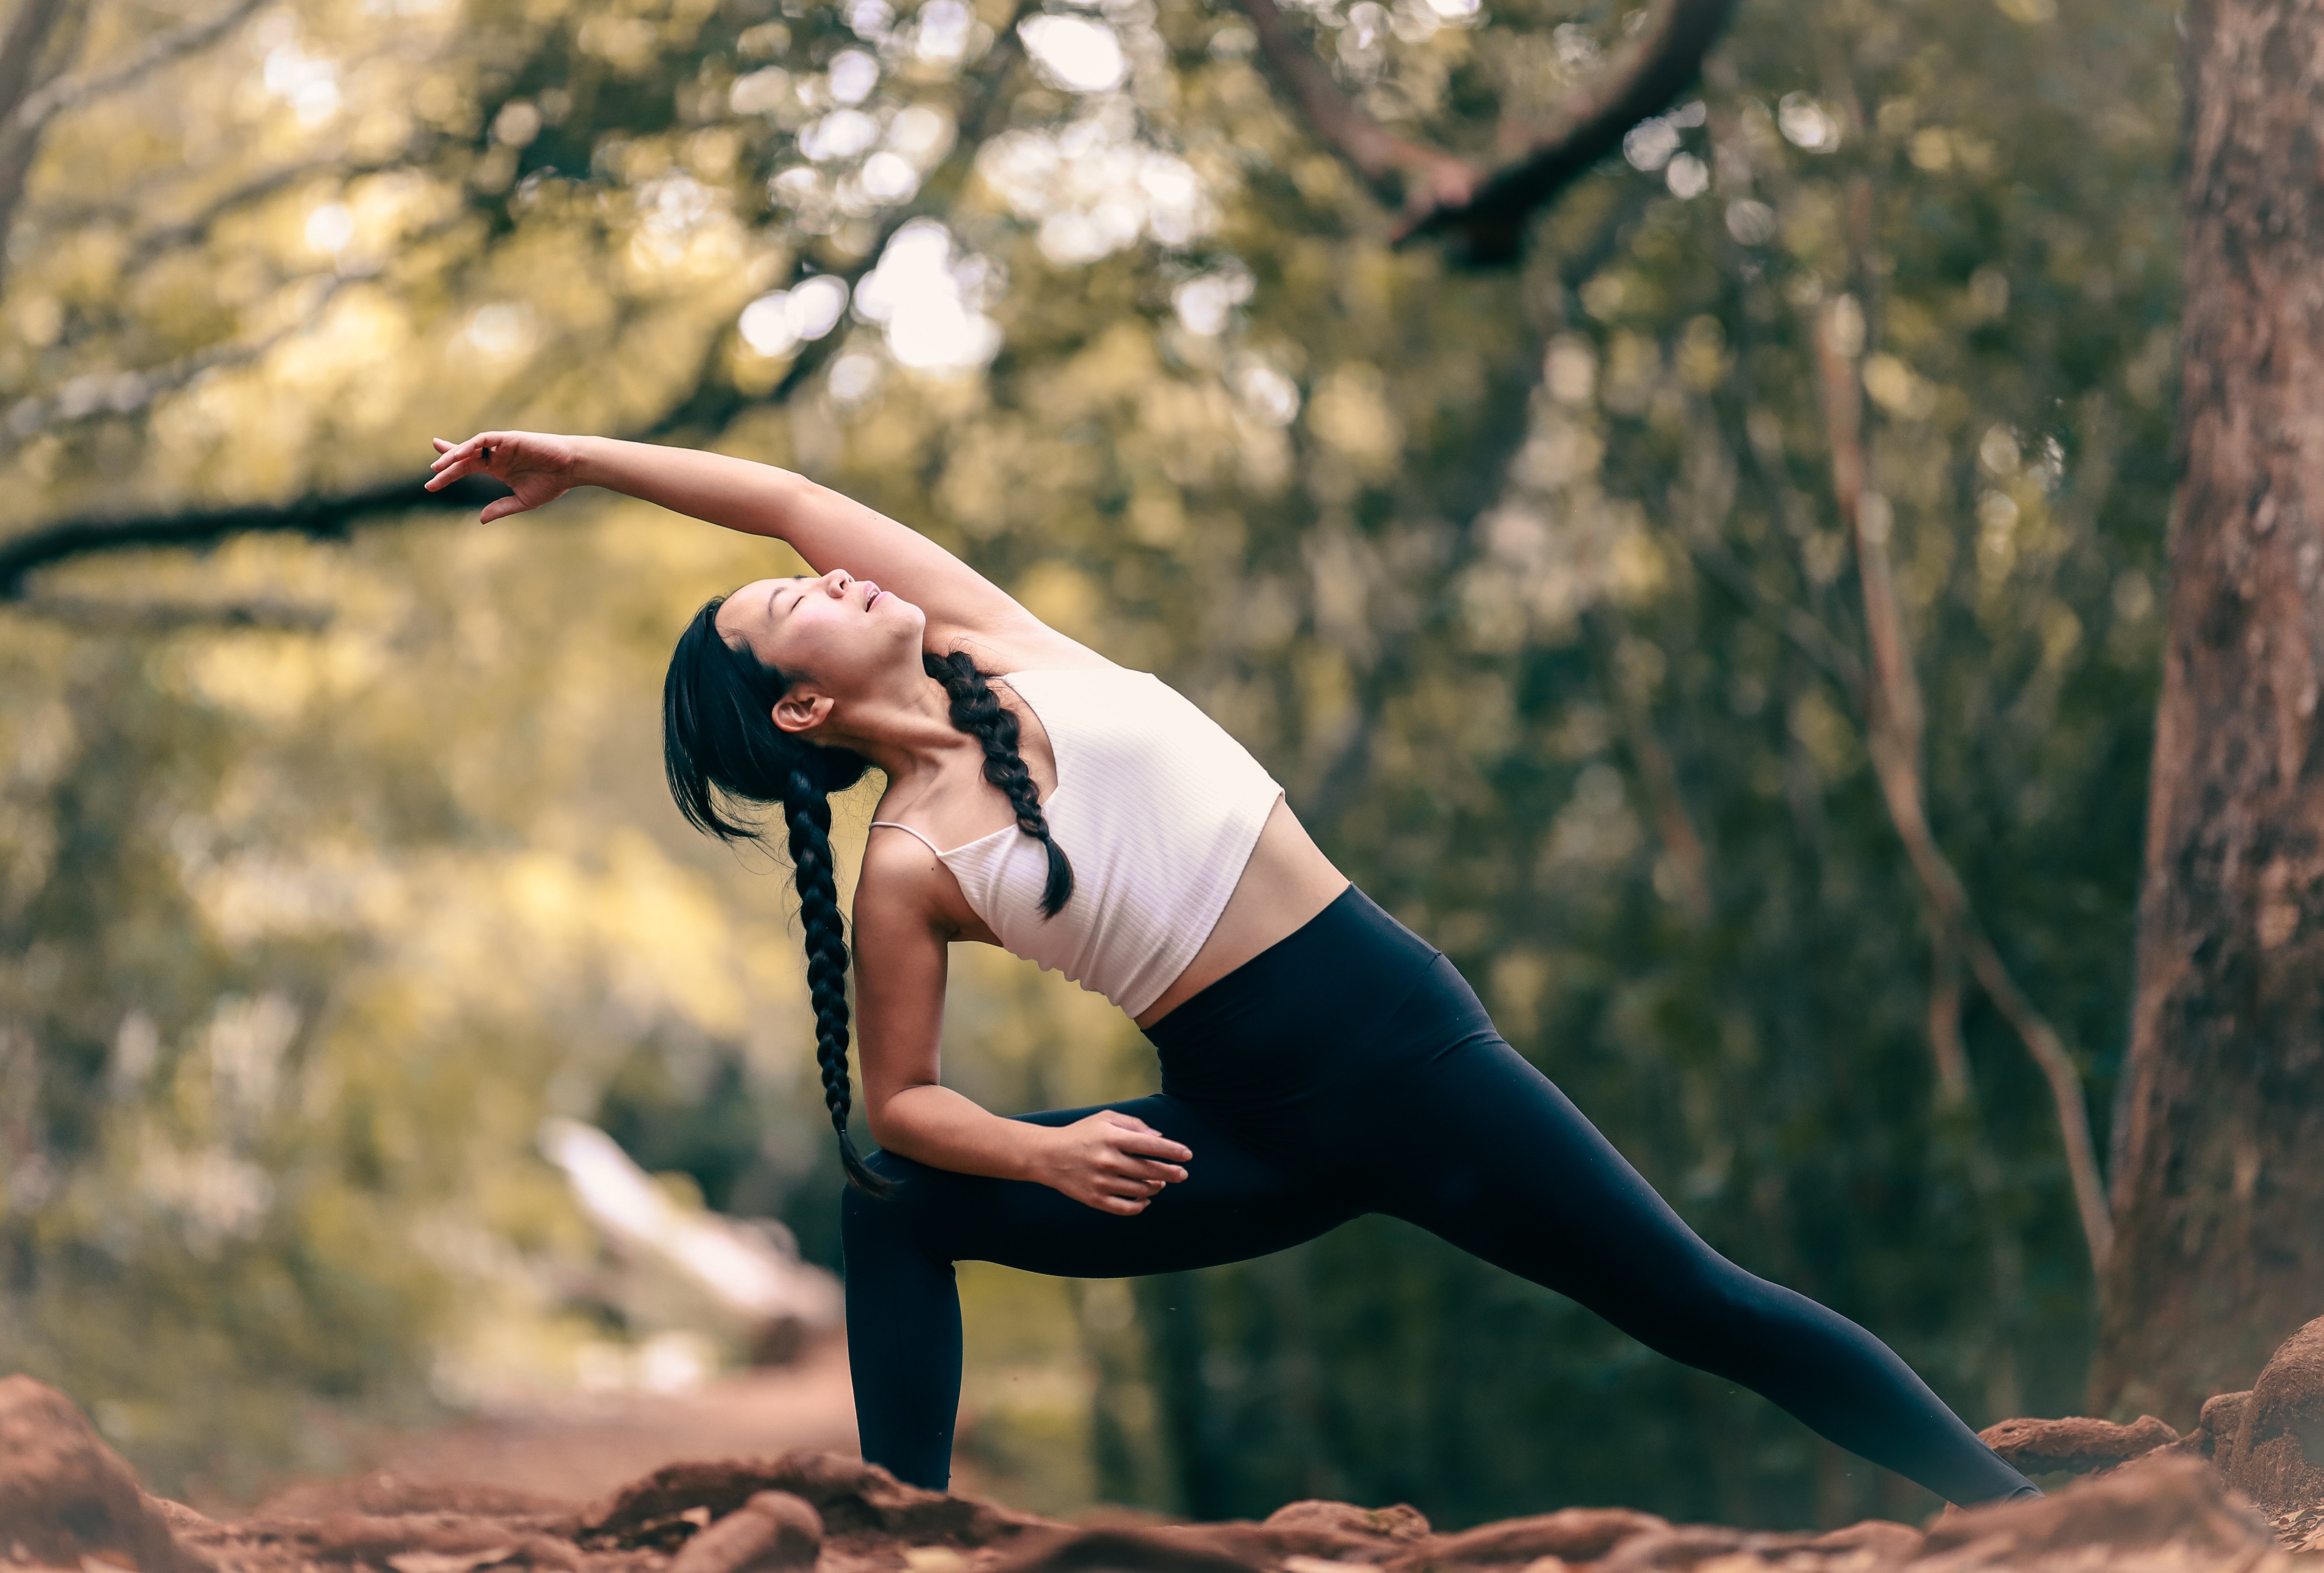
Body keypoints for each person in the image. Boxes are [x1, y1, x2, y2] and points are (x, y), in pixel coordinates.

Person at [425, 430, 2039, 1508]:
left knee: (1703, 1303)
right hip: (1244, 1135)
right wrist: (1047, 1148)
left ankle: (2034, 1524)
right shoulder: (909, 865)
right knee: (888, 1207)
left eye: (815, 573)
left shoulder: (995, 640)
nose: (833, 571)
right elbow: (903, 1106)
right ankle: (892, 1533)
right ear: (799, 712)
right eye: (798, 608)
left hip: (1413, 1060)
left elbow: (775, 494)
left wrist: (577, 456)